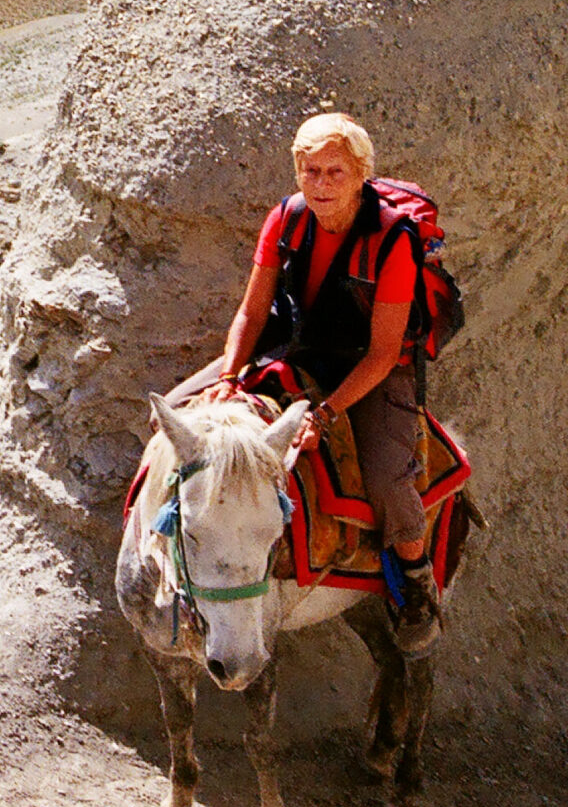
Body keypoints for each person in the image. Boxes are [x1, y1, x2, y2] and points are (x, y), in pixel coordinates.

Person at [189, 112, 442, 654]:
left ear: (361, 175)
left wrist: (324, 416)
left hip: (366, 369)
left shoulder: (391, 240)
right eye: (310, 171)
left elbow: (382, 353)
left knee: (387, 479)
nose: (321, 184)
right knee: (177, 413)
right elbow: (251, 313)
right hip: (295, 349)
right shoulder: (286, 219)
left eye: (335, 172)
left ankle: (417, 584)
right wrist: (229, 375)